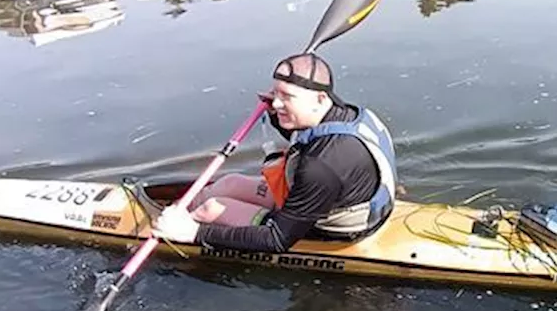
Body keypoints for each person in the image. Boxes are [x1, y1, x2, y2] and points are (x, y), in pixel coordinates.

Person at [153, 53, 397, 253]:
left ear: (321, 98)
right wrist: (276, 113)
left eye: (287, 97)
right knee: (230, 183)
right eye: (276, 93)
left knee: (212, 208)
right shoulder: (349, 113)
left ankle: (175, 231)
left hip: (341, 227)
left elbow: (276, 240)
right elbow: (308, 135)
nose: (277, 103)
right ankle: (173, 214)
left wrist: (194, 233)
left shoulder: (321, 166)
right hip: (345, 197)